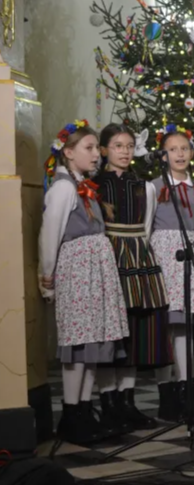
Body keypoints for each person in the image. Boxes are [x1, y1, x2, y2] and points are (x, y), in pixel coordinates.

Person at [39, 120, 129, 445]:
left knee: (92, 345)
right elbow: (50, 234)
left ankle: (83, 409)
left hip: (95, 273)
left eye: (95, 148)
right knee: (77, 346)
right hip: (77, 272)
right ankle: (71, 413)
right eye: (88, 148)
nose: (95, 154)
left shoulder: (84, 186)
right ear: (68, 152)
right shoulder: (64, 188)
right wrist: (47, 278)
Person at [93, 124, 172, 432]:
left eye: (128, 146)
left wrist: (139, 250)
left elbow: (147, 224)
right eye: (117, 146)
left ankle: (128, 401)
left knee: (137, 330)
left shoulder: (145, 186)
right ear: (104, 150)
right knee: (111, 330)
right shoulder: (94, 185)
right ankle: (109, 402)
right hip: (110, 253)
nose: (124, 151)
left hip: (138, 255)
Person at [149, 127, 194, 421]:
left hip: (191, 254)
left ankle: (186, 390)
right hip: (165, 256)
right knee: (166, 326)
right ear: (163, 155)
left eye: (184, 148)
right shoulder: (154, 187)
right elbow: (147, 225)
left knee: (185, 326)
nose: (179, 154)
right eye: (173, 149)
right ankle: (166, 394)